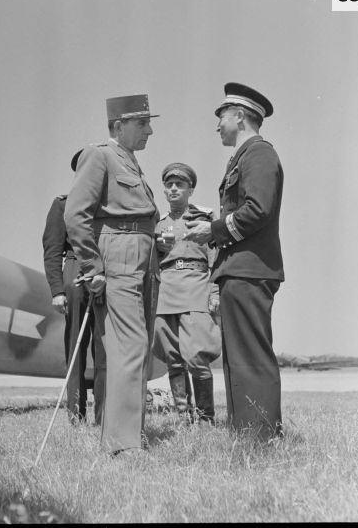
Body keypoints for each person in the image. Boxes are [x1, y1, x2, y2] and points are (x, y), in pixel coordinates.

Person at [184, 82, 284, 441]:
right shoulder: (245, 156)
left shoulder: (258, 154)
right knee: (238, 357)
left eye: (221, 115)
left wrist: (212, 231)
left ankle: (260, 436)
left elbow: (258, 209)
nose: (217, 124)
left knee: (250, 355)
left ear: (240, 116)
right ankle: (248, 433)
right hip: (239, 268)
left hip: (249, 268)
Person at [64, 94, 160, 456]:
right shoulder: (99, 155)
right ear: (119, 125)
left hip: (141, 254)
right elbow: (75, 215)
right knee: (129, 347)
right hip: (118, 255)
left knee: (134, 348)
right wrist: (91, 266)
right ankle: (122, 446)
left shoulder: (130, 161)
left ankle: (124, 435)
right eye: (142, 123)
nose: (149, 130)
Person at [153, 163, 221, 424]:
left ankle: (206, 419)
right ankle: (184, 417)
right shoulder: (158, 225)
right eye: (169, 185)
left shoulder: (204, 219)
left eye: (179, 184)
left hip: (195, 287)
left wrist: (214, 291)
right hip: (166, 291)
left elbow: (215, 258)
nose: (173, 189)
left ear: (190, 189)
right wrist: (158, 249)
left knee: (196, 356)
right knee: (173, 358)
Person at [42, 150, 106, 425]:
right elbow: (53, 250)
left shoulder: (109, 206)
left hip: (107, 273)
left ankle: (105, 414)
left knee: (106, 345)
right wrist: (57, 290)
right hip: (76, 272)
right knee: (76, 345)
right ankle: (76, 414)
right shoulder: (62, 205)